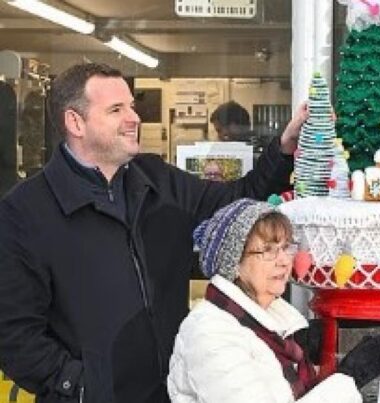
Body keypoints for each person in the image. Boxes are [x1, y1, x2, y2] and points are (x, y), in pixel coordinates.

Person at [0, 62, 307, 402]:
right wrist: (82, 385)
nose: (134, 117)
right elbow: (14, 335)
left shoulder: (157, 181)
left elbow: (238, 201)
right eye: (116, 109)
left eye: (131, 105)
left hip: (170, 394)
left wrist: (284, 150)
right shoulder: (25, 212)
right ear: (75, 122)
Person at [168, 199, 380, 402]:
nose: (284, 261)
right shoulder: (209, 334)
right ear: (234, 264)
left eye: (286, 247)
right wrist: (348, 380)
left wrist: (302, 346)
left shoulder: (273, 323)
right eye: (268, 251)